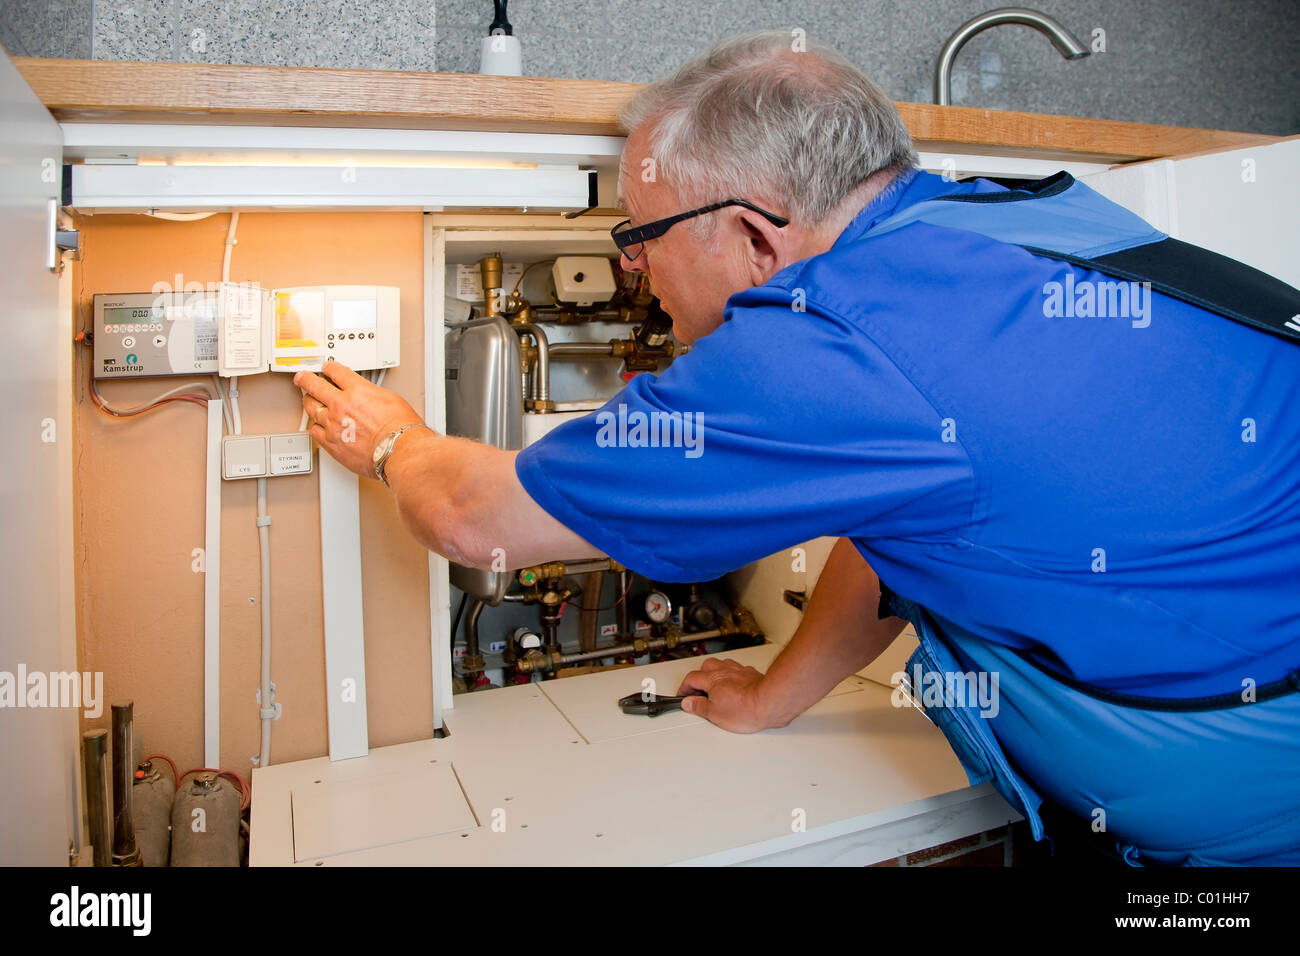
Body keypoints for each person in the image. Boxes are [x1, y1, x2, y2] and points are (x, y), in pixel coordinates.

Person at [295, 32, 1300, 866]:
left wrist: (395, 441)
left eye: (638, 237)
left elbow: (478, 518)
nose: (634, 270)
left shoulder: (828, 345)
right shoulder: (1015, 217)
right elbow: (911, 516)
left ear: (754, 236)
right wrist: (776, 694)